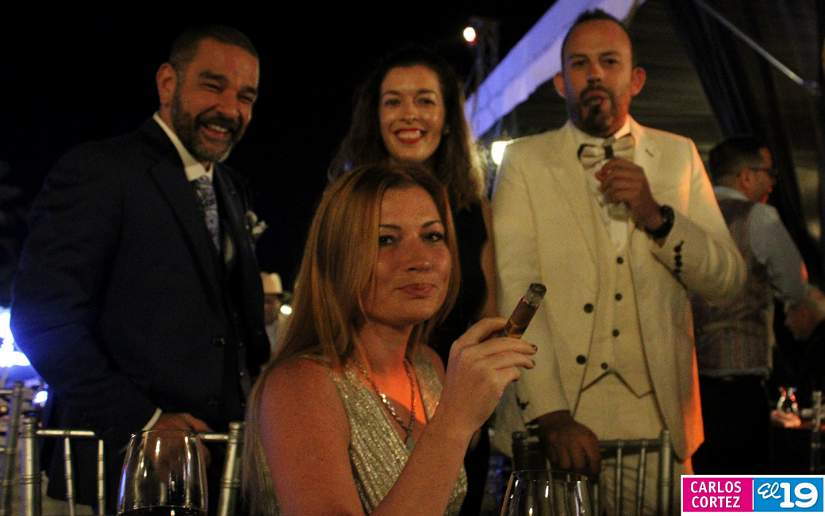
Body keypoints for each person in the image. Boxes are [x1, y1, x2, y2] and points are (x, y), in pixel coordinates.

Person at [491, 9, 745, 512]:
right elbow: (514, 286)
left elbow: (729, 281)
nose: (594, 74)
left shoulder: (678, 155)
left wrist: (657, 217)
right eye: (579, 63)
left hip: (658, 422)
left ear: (636, 79)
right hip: (556, 424)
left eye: (609, 61)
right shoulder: (524, 160)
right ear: (561, 82)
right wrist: (551, 415)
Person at [11, 25, 269, 511]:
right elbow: (43, 320)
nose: (230, 109)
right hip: (113, 472)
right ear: (168, 83)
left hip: (218, 472)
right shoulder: (100, 171)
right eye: (213, 86)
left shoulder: (232, 188)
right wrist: (146, 423)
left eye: (246, 96)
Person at [243, 164, 535, 516]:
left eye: (432, 236)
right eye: (385, 240)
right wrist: (455, 419)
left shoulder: (428, 366)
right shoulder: (298, 386)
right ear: (337, 256)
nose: (420, 260)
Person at [328, 46, 495, 514]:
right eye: (393, 101)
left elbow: (490, 311)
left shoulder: (475, 208)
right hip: (368, 402)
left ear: (448, 119)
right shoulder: (348, 206)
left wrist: (474, 402)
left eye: (425, 100)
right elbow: (329, 304)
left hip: (455, 402)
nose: (409, 114)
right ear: (374, 117)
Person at [691, 136, 808, 473]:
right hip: (739, 378)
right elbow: (795, 285)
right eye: (768, 173)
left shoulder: (684, 217)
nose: (772, 182)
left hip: (688, 380)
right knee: (745, 487)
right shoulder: (759, 217)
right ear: (745, 176)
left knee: (702, 485)